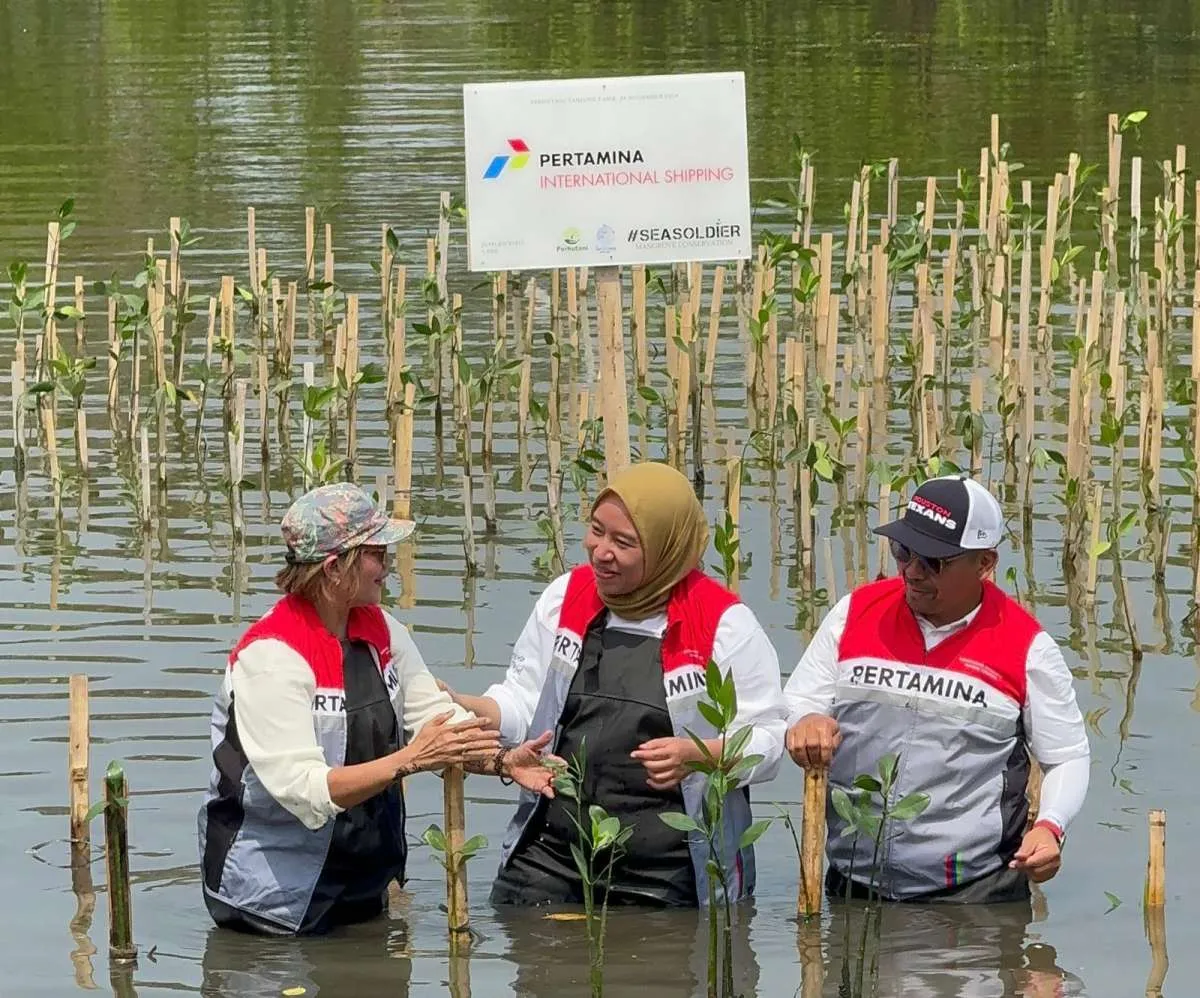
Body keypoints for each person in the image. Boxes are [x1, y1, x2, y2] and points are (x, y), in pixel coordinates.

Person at [198, 482, 555, 936]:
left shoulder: (381, 629)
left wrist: (502, 760)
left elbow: (436, 720)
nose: (387, 564)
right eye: (375, 552)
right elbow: (306, 791)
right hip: (272, 899)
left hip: (361, 883)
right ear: (334, 568)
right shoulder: (271, 657)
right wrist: (410, 760)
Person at [444, 461, 789, 908]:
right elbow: (526, 703)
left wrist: (701, 756)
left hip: (670, 870)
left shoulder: (725, 625)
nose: (600, 552)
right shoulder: (566, 597)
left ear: (665, 551)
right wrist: (469, 707)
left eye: (623, 543)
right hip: (553, 855)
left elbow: (769, 743)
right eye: (596, 531)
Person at [784, 474, 1090, 903]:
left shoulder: (1027, 647)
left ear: (984, 563)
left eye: (933, 560)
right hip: (853, 885)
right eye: (903, 550)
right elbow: (799, 700)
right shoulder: (854, 613)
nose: (912, 571)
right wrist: (805, 720)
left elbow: (1066, 756)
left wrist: (1049, 826)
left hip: (973, 896)